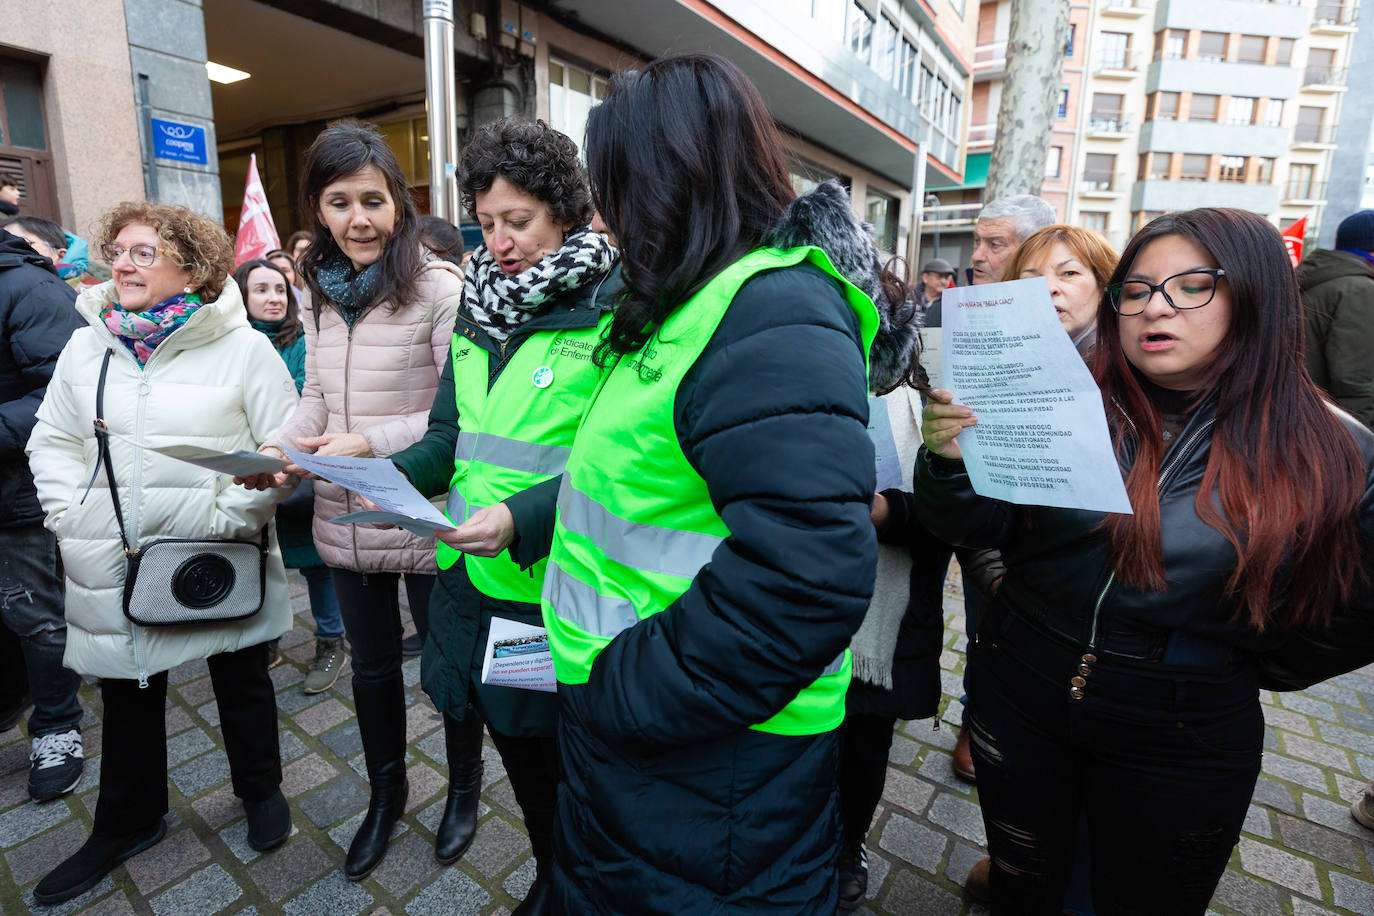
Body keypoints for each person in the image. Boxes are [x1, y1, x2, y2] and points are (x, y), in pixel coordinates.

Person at [916, 207, 1374, 914]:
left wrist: (1227, 661)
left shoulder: (1335, 450)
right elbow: (973, 526)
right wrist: (947, 465)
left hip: (1184, 730)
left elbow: (1352, 613)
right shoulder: (1061, 398)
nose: (1153, 307)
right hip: (1022, 690)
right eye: (1135, 290)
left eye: (1190, 285)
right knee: (1025, 883)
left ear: (1255, 294)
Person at [542, 53, 880, 913]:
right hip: (664, 726)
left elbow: (806, 575)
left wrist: (621, 691)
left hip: (712, 745)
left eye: (610, 185)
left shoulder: (770, 310)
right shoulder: (690, 303)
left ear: (664, 178)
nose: (601, 215)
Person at [26, 202, 297, 904]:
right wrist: (67, 514)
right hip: (113, 555)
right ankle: (128, 820)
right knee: (131, 689)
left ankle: (260, 792)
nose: (122, 262)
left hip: (217, 554)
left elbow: (282, 446)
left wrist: (233, 514)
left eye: (144, 253)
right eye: (118, 249)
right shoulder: (88, 344)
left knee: (241, 680)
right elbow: (51, 439)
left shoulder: (243, 347)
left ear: (193, 267)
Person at [384, 116, 617, 913]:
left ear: (566, 211)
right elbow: (449, 439)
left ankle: (579, 881)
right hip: (477, 588)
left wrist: (522, 517)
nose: (499, 241)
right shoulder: (478, 307)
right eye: (485, 223)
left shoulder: (614, 313)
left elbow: (614, 467)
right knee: (519, 744)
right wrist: (372, 469)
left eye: (517, 222)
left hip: (558, 595)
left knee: (570, 754)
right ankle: (554, 874)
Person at [238, 119, 461, 881]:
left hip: (425, 509)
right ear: (316, 208)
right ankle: (386, 796)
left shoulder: (438, 286)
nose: (358, 218)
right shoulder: (318, 289)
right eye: (339, 202)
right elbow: (316, 397)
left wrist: (370, 442)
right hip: (344, 513)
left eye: (373, 199)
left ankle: (463, 790)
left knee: (448, 669)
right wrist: (278, 447)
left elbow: (456, 418)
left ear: (399, 202)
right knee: (370, 671)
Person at [958, 223, 1119, 909]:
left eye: (1071, 274)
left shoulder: (1139, 376)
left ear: (1107, 289)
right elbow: (976, 505)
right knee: (1024, 792)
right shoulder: (1000, 368)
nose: (1049, 289)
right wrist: (998, 575)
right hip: (1027, 628)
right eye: (1033, 278)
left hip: (1117, 645)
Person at [922, 194, 1055, 784]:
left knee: (1006, 627)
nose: (976, 256)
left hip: (1024, 513)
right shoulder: (948, 311)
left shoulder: (1064, 320)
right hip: (947, 489)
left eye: (994, 244)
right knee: (956, 613)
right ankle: (953, 707)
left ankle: (988, 721)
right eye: (978, 242)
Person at [233, 258, 347, 694]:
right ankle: (268, 639)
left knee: (316, 564)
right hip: (248, 477)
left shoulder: (301, 342)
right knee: (262, 562)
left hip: (295, 473)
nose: (274, 297)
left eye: (281, 289)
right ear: (241, 295)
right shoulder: (231, 344)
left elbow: (306, 402)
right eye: (261, 289)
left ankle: (330, 641)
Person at [0, 227, 85, 804]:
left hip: (14, 495)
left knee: (35, 613)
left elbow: (66, 391)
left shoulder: (28, 287)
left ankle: (57, 727)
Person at [1299, 208, 1374, 429]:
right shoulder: (1359, 289)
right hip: (1333, 428)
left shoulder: (1319, 279)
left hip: (1305, 418)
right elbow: (1356, 382)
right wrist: (1362, 445)